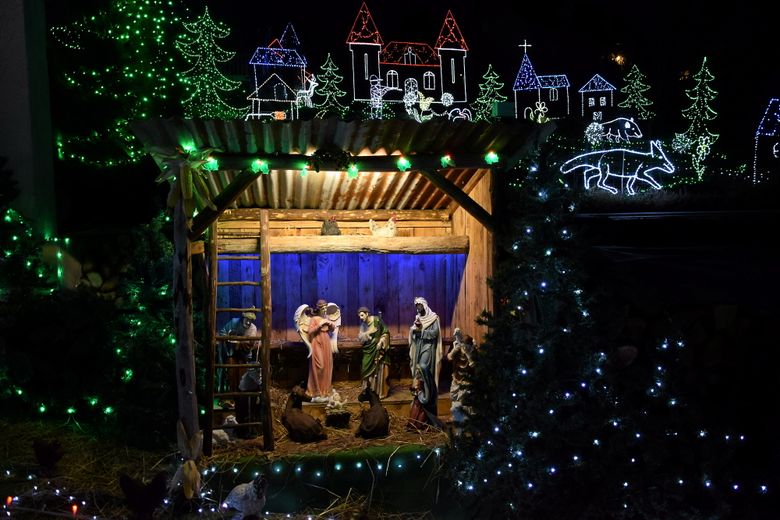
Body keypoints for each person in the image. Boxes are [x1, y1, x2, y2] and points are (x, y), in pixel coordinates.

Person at [408, 296, 443, 427]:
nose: (418, 308)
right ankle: (419, 389)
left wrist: (421, 331)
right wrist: (414, 331)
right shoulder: (418, 318)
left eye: (420, 306)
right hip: (419, 346)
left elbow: (434, 333)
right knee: (418, 369)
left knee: (423, 366)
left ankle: (427, 390)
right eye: (416, 306)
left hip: (428, 347)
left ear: (425, 306)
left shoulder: (434, 318)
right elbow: (414, 333)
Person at [295, 303, 336, 402]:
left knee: (327, 366)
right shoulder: (314, 319)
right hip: (317, 342)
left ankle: (325, 391)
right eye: (323, 308)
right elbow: (310, 332)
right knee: (319, 366)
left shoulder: (326, 317)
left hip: (326, 342)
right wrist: (320, 324)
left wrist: (331, 325)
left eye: (326, 308)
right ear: (319, 309)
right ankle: (315, 391)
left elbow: (332, 329)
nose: (325, 310)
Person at [217, 309, 260, 395]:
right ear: (243, 317)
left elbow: (249, 345)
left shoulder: (253, 329)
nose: (248, 322)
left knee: (242, 375)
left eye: (250, 320)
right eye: (247, 319)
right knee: (231, 371)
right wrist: (229, 338)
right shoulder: (234, 322)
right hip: (230, 353)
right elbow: (222, 332)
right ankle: (231, 395)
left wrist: (239, 343)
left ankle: (240, 396)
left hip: (244, 355)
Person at [357, 306, 391, 399]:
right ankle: (367, 390)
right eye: (359, 316)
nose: (361, 318)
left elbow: (386, 333)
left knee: (378, 368)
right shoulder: (363, 325)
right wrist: (367, 334)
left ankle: (378, 390)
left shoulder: (377, 321)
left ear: (367, 314)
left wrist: (381, 341)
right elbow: (361, 337)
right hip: (368, 350)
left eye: (362, 315)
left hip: (378, 349)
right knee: (365, 366)